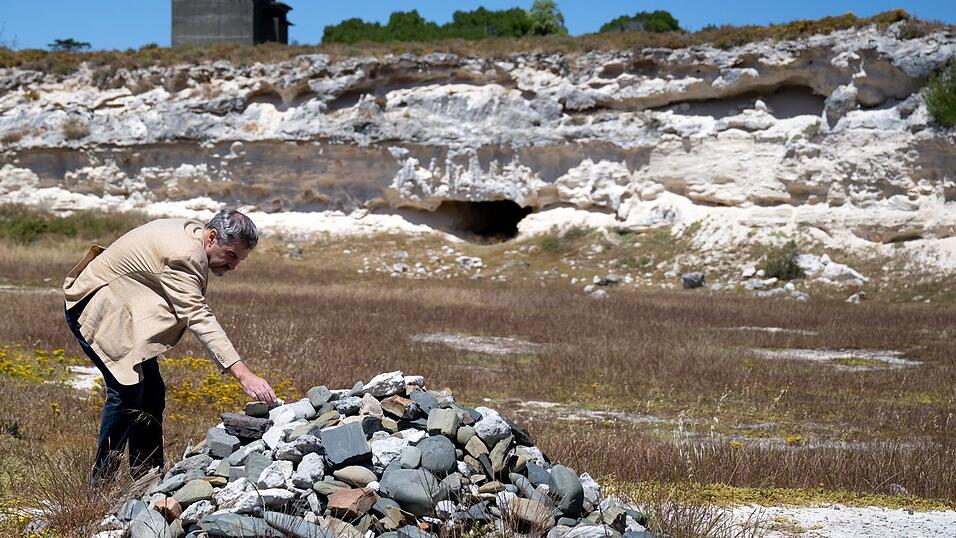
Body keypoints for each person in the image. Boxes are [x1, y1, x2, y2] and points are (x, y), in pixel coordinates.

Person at [63, 209, 277, 484]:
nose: (233, 265)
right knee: (127, 392)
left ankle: (148, 480)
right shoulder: (186, 256)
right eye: (232, 255)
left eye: (240, 259)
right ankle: (101, 484)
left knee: (152, 391)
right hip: (95, 306)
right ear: (212, 237)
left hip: (120, 305)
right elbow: (198, 315)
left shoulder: (193, 234)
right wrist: (244, 375)